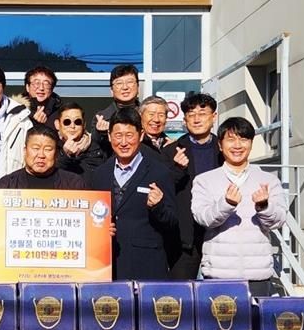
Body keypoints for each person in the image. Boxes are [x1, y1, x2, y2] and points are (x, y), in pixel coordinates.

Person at [191, 116, 287, 295]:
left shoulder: (268, 180)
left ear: (251, 143)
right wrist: (226, 204)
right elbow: (203, 218)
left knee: (256, 314)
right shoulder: (205, 180)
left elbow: (279, 220)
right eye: (231, 139)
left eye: (243, 139)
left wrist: (264, 206)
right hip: (218, 275)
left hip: (257, 275)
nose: (237, 145)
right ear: (220, 145)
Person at [87, 107, 177, 280]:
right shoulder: (100, 173)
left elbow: (172, 223)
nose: (123, 142)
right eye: (118, 135)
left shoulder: (159, 172)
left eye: (129, 135)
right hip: (106, 265)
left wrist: (158, 206)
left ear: (141, 135)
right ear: (109, 136)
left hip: (146, 265)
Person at [163, 92, 224, 279]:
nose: (197, 119)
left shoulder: (225, 149)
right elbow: (163, 190)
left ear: (214, 117)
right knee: (180, 292)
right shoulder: (171, 152)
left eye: (202, 113)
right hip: (185, 238)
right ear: (185, 120)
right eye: (191, 114)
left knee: (221, 293)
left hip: (220, 234)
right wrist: (176, 169)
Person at [0, 125, 87, 189]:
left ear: (56, 153)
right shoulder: (7, 184)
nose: (41, 155)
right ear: (25, 151)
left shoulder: (74, 184)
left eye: (48, 149)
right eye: (36, 148)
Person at [91, 64, 141, 155]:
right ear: (111, 91)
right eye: (119, 83)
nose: (125, 87)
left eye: (130, 82)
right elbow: (95, 146)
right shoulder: (102, 117)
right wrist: (101, 133)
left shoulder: (147, 114)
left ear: (138, 87)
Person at [54, 102, 106, 176]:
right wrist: (65, 156)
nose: (72, 126)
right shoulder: (51, 147)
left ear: (84, 124)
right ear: (57, 124)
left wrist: (104, 136)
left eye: (77, 122)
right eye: (67, 122)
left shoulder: (96, 147)